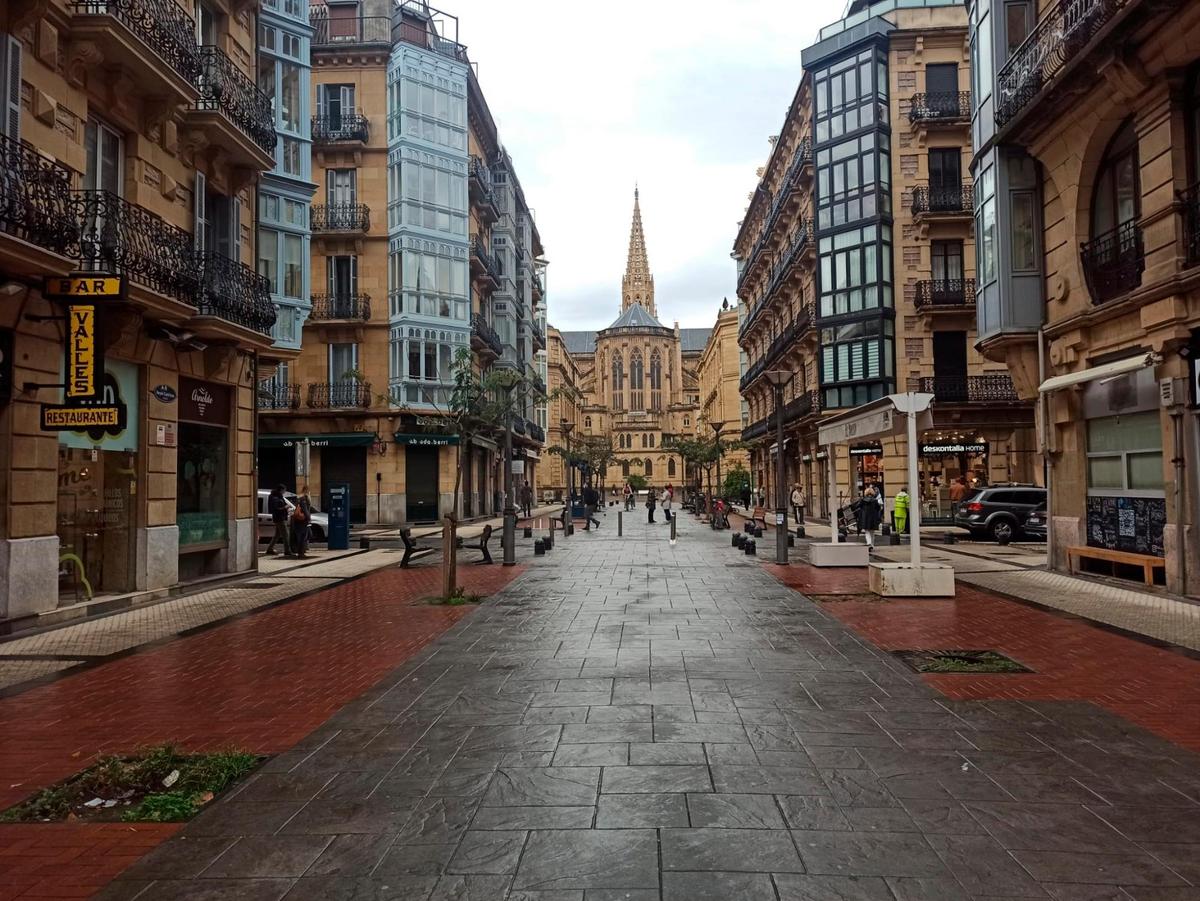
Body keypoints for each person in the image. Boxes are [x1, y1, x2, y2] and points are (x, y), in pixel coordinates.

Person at [265, 484, 292, 556]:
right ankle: (287, 551)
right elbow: (276, 509)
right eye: (284, 490)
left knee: (277, 534)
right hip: (280, 518)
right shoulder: (275, 498)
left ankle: (270, 549)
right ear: (281, 490)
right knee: (286, 535)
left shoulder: (277, 496)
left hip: (279, 517)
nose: (284, 492)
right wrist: (285, 507)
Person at [290, 485, 313, 558]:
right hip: (302, 520)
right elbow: (305, 510)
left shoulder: (299, 498)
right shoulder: (304, 498)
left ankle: (300, 551)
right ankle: (300, 552)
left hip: (299, 520)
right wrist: (309, 518)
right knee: (303, 536)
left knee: (303, 536)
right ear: (307, 490)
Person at [858, 483, 883, 548]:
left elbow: (858, 506)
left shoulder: (863, 500)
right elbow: (878, 508)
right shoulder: (875, 501)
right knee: (872, 532)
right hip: (873, 518)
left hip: (865, 517)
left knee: (867, 531)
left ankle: (869, 543)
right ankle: (872, 544)